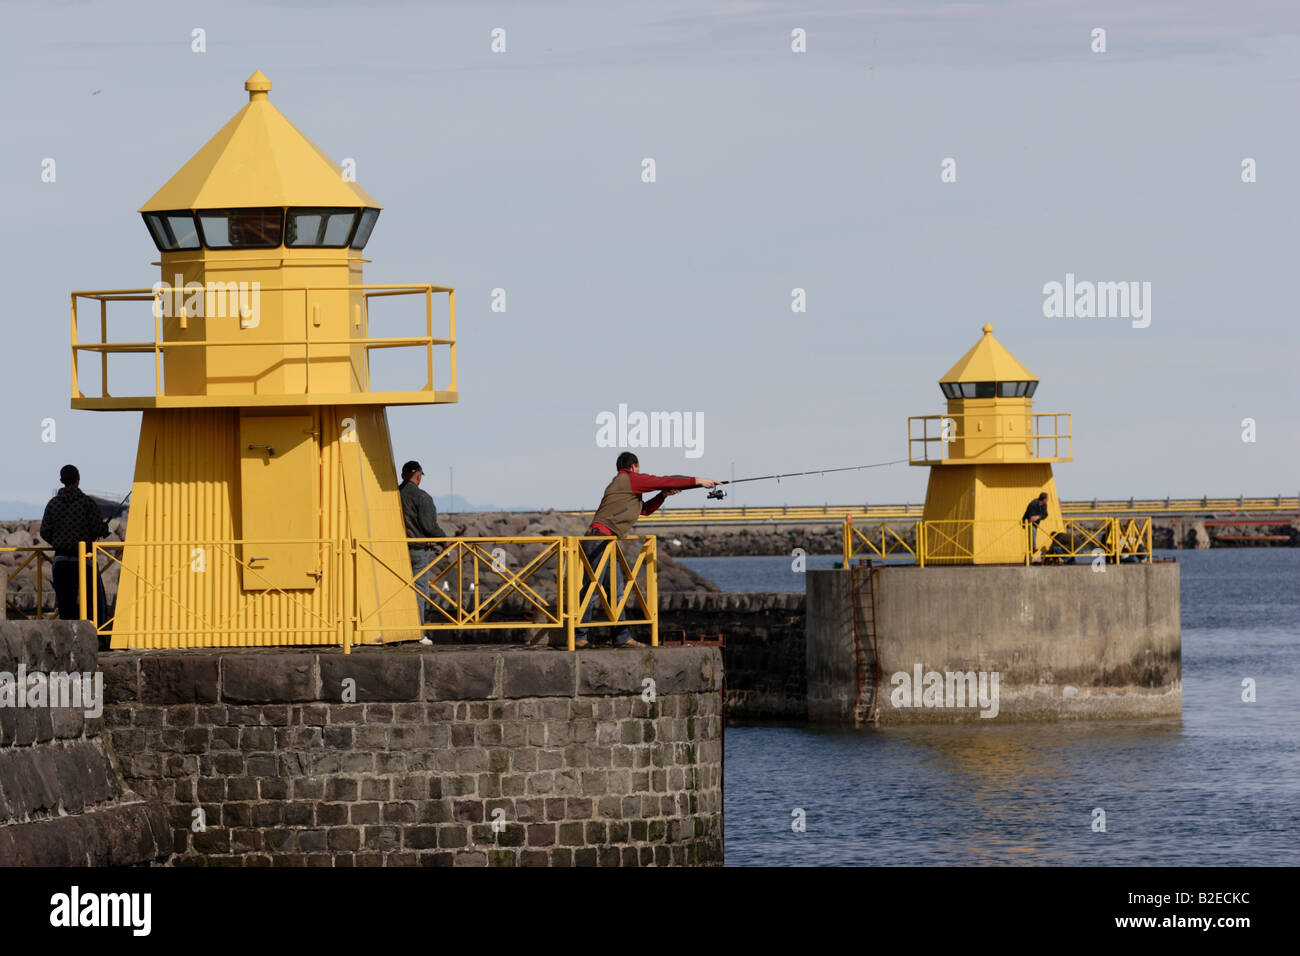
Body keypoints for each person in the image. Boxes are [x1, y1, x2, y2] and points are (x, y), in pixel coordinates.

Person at [576, 452, 718, 648]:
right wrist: (699, 481)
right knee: (592, 589)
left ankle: (621, 637)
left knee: (617, 591)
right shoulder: (629, 479)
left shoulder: (624, 486)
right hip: (598, 539)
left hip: (607, 540)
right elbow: (664, 480)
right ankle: (579, 637)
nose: (641, 472)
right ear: (633, 466)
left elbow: (644, 510)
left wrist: (662, 496)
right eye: (639, 468)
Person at [40, 465, 110, 630]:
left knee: (66, 605)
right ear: (78, 479)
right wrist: (104, 529)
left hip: (61, 560)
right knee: (93, 603)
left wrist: (57, 541)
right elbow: (98, 529)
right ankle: (96, 637)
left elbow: (44, 531)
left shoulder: (53, 504)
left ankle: (69, 640)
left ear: (61, 480)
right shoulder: (87, 503)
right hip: (84, 560)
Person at [399, 460, 446, 623]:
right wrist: (444, 540)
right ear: (418, 476)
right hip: (417, 550)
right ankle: (419, 631)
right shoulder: (422, 497)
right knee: (419, 591)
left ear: (402, 475)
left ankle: (399, 628)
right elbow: (429, 526)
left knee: (397, 591)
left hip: (395, 549)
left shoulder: (393, 496)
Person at [1023, 492, 1049, 558]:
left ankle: (1029, 557)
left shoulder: (1044, 505)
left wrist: (1038, 517)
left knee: (1032, 537)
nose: (1048, 500)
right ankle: (1033, 549)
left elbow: (1045, 514)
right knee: (1032, 533)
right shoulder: (1033, 504)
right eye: (1047, 498)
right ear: (1044, 499)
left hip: (1035, 523)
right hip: (1027, 522)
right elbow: (1031, 518)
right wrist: (1038, 517)